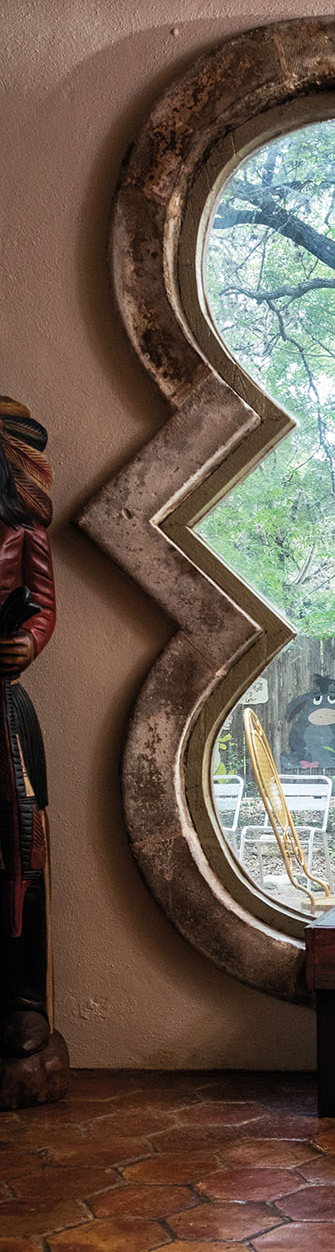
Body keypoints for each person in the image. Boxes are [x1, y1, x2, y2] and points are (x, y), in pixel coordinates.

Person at [0, 397, 57, 1071]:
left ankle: (22, 1001)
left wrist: (24, 642)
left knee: (20, 849)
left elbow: (42, 606)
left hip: (4, 709)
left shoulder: (20, 529)